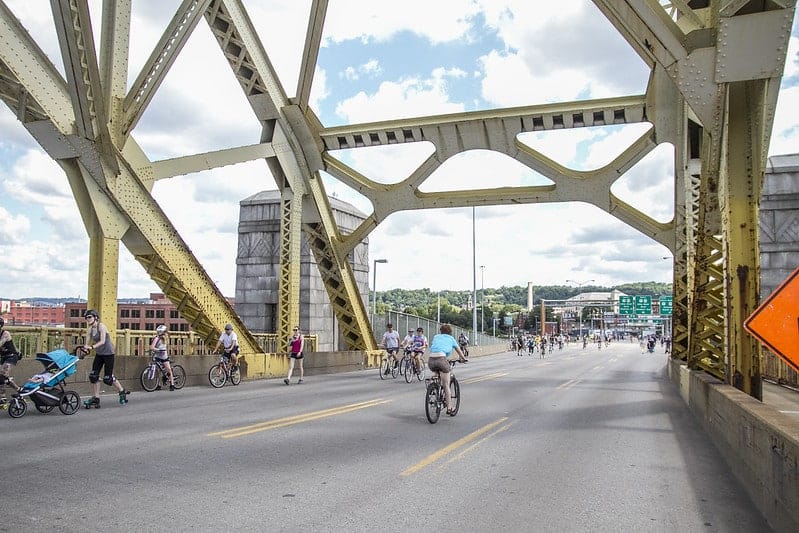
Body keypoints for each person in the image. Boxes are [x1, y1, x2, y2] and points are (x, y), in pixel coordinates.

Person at [81, 309, 130, 407]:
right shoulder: (90, 329)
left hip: (108, 354)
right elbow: (87, 342)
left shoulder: (101, 326)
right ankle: (96, 398)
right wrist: (85, 348)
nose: (88, 319)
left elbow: (103, 341)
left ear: (95, 317)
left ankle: (122, 391)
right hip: (99, 354)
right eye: (86, 318)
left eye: (90, 317)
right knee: (93, 376)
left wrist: (92, 347)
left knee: (108, 378)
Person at [428, 324, 467, 415]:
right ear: (450, 332)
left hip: (431, 360)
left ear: (441, 331)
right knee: (446, 384)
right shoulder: (451, 339)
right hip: (442, 359)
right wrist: (463, 358)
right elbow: (459, 350)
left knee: (437, 372)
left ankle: (433, 387)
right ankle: (449, 408)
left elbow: (435, 347)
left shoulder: (436, 336)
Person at [0, 316, 21, 403]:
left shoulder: (5, 334)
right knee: (3, 378)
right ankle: (19, 389)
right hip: (3, 357)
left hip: (11, 356)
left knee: (3, 373)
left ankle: (3, 397)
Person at [150, 325, 175, 391]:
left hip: (164, 356)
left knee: (168, 369)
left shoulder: (166, 338)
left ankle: (172, 384)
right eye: (164, 332)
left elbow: (166, 347)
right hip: (158, 356)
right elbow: (152, 347)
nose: (166, 333)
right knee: (158, 371)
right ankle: (158, 385)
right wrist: (158, 350)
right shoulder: (157, 338)